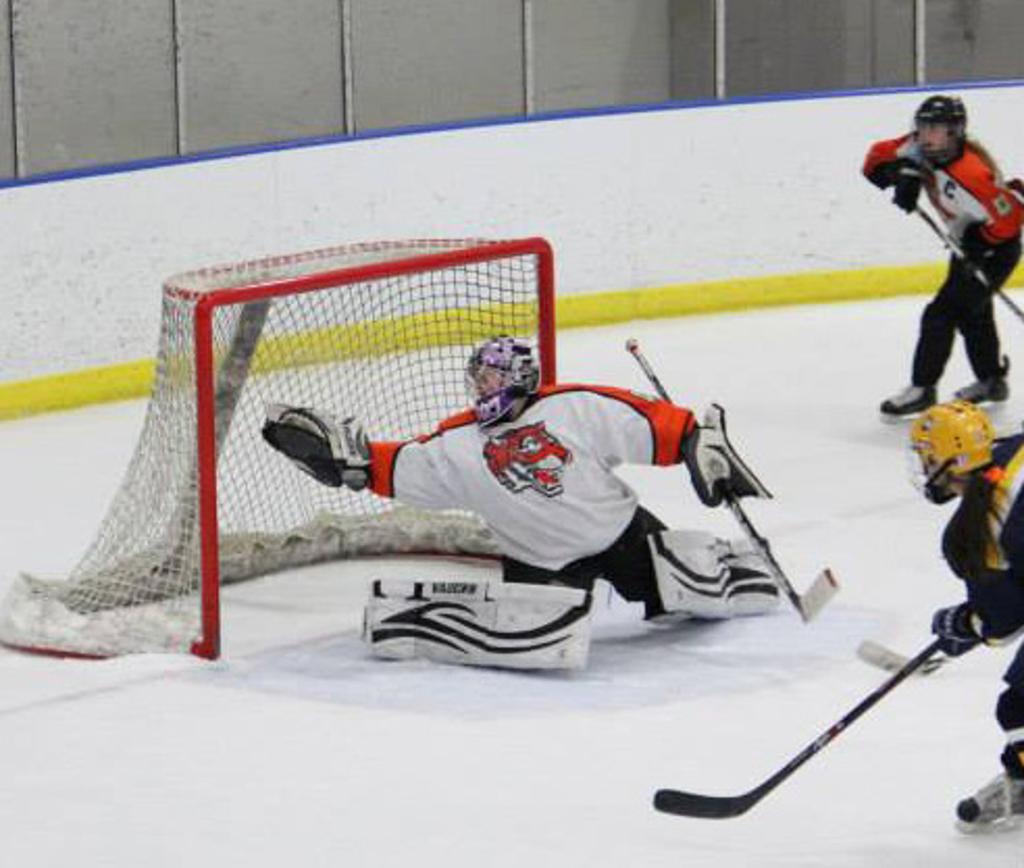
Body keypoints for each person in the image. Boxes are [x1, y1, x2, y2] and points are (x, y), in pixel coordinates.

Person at [261, 335, 780, 669]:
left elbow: (660, 427)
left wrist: (697, 447)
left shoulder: (572, 406)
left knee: (679, 600)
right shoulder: (457, 443)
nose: (481, 388)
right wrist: (351, 463)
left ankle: (731, 568)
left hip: (620, 536)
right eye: (478, 379)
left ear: (519, 377)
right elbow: (392, 466)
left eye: (491, 378)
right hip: (536, 559)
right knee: (543, 635)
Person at [863, 94, 1023, 420]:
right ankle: (991, 380)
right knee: (972, 313)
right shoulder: (915, 147)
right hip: (966, 243)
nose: (926, 136)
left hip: (995, 251)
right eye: (923, 127)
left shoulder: (973, 173)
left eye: (936, 129)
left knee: (940, 315)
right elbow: (873, 160)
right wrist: (900, 172)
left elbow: (1008, 224)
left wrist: (980, 243)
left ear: (955, 132)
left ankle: (922, 389)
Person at [909, 400, 1024, 830]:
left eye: (926, 455)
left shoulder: (977, 531)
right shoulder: (1015, 449)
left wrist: (967, 623)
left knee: (1018, 709)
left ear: (949, 464)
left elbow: (1005, 624)